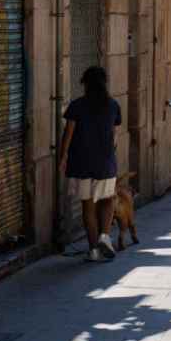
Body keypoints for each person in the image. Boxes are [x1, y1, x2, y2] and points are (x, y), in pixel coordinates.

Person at [58, 66, 122, 262]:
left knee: (88, 206)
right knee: (107, 199)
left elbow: (68, 135)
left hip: (81, 162)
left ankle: (93, 250)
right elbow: (115, 137)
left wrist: (63, 157)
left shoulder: (76, 106)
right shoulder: (113, 105)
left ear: (85, 83)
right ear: (104, 83)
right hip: (105, 161)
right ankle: (105, 236)